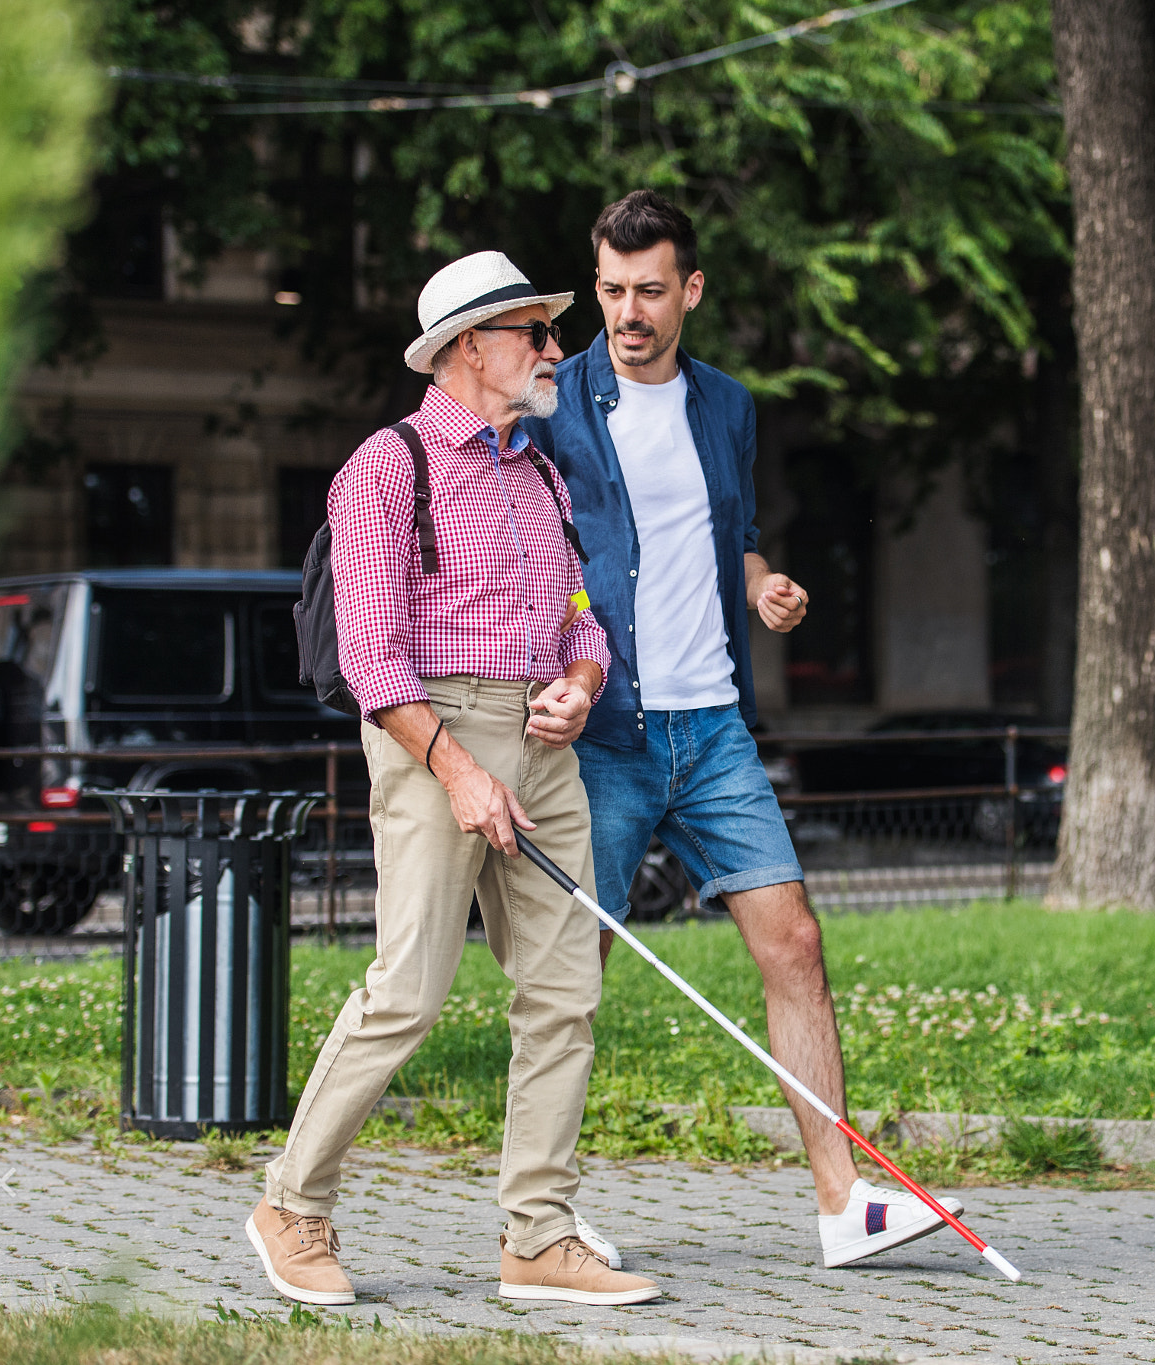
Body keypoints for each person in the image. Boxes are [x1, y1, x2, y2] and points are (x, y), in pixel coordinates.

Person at [525, 192, 962, 1270]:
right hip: (608, 733)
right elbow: (527, 553)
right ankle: (540, 1212)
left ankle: (841, 1204)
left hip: (713, 724)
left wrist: (765, 588)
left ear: (691, 291)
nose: (626, 313)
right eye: (611, 291)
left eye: (648, 292)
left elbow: (739, 538)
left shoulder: (726, 405)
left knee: (794, 941)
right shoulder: (554, 403)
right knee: (569, 968)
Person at [247, 250, 661, 1309]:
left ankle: (537, 1236)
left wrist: (578, 677)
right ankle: (291, 1207)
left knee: (564, 992)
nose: (553, 350)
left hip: (541, 733)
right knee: (408, 992)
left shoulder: (542, 472)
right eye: (534, 331)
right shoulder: (387, 468)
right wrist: (458, 769)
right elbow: (369, 656)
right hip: (431, 731)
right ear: (468, 347)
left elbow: (580, 614)